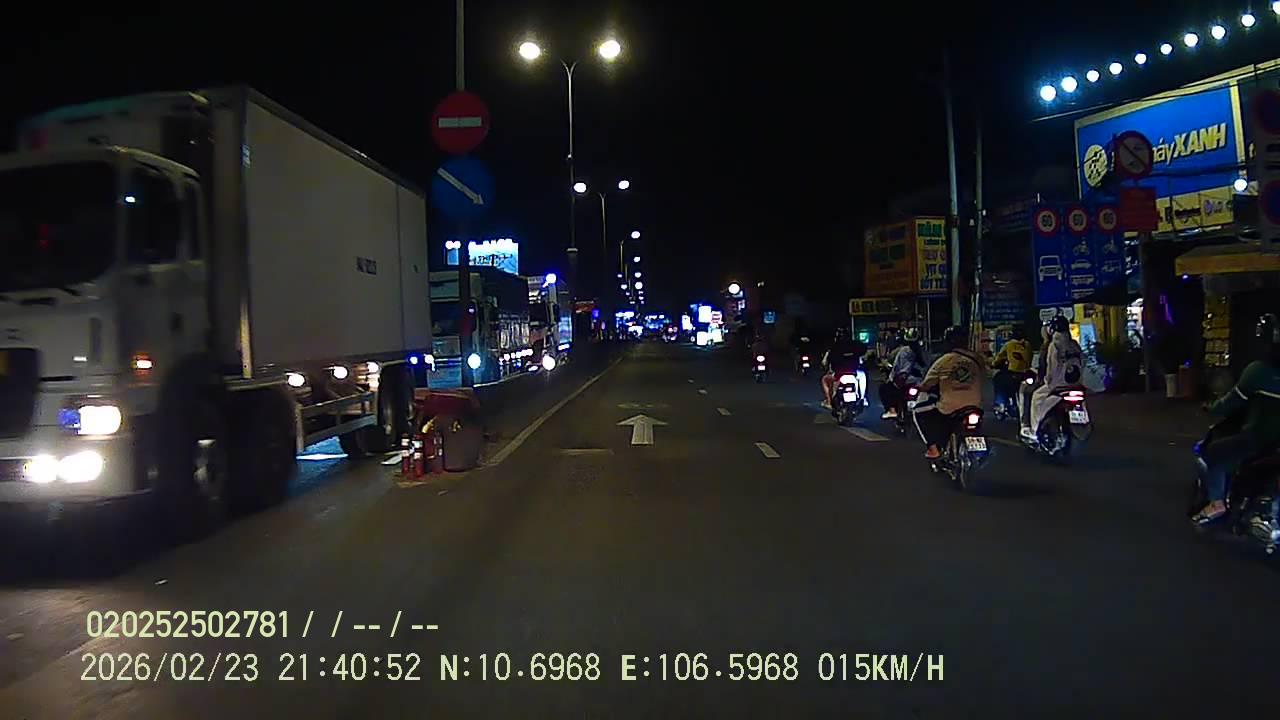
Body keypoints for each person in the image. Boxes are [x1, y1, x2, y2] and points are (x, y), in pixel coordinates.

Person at [1191, 313, 1280, 524]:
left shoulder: (1257, 371)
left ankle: (1217, 503)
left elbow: (1230, 403)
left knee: (1213, 453)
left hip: (1260, 439)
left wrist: (1211, 408)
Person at [913, 326, 987, 459]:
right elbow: (984, 376)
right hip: (976, 405)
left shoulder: (943, 361)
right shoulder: (977, 359)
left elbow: (927, 384)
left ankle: (933, 449)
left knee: (919, 410)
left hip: (950, 407)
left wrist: (920, 387)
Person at [1026, 316, 1085, 441]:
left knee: (1036, 398)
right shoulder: (1074, 344)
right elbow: (1083, 361)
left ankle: (1034, 431)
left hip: (1058, 385)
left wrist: (1047, 380)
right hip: (1076, 384)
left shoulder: (1054, 345)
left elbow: (1052, 366)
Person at [880, 328, 926, 419]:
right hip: (919, 380)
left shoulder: (902, 351)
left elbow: (896, 367)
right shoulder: (923, 351)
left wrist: (890, 378)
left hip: (903, 380)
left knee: (883, 389)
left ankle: (892, 410)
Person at [992, 325, 1032, 415]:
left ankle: (1001, 405)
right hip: (1026, 373)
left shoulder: (1008, 345)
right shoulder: (1028, 345)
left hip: (1012, 373)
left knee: (998, 381)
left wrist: (994, 364)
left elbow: (998, 359)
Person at [821, 327, 865, 408]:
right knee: (862, 376)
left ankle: (828, 401)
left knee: (825, 379)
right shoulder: (855, 344)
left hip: (839, 373)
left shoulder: (835, 346)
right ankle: (863, 398)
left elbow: (829, 360)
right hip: (853, 372)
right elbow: (863, 350)